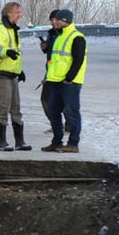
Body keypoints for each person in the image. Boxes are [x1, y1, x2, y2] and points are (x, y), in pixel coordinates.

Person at [0, 1, 31, 151]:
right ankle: (2, 142)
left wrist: (19, 71)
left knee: (16, 108)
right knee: (4, 107)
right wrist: (6, 52)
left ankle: (20, 142)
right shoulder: (1, 30)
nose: (20, 15)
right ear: (9, 13)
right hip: (0, 74)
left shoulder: (12, 30)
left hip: (11, 74)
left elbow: (15, 55)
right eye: (18, 13)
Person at [41, 9, 87, 153]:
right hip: (55, 81)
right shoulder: (59, 36)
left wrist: (69, 78)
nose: (55, 22)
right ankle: (57, 142)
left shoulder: (77, 37)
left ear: (65, 21)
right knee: (53, 112)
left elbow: (78, 60)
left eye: (58, 20)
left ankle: (73, 143)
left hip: (70, 84)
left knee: (73, 113)